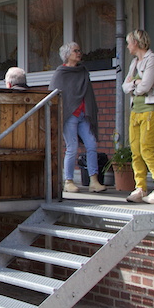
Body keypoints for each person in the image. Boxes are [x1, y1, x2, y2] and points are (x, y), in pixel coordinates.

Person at [49, 42, 107, 194]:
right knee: (72, 147)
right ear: (67, 54)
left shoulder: (83, 71)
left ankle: (94, 180)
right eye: (76, 51)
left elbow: (88, 94)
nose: (79, 53)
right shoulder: (61, 73)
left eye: (79, 50)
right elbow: (53, 94)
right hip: (69, 116)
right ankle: (68, 181)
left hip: (84, 115)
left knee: (92, 144)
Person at [122, 29, 154, 205]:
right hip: (136, 111)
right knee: (136, 151)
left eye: (129, 43)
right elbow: (124, 86)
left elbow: (145, 86)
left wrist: (134, 84)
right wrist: (136, 84)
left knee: (147, 150)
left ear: (136, 43)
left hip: (151, 110)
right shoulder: (134, 62)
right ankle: (140, 188)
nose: (127, 46)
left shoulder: (153, 59)